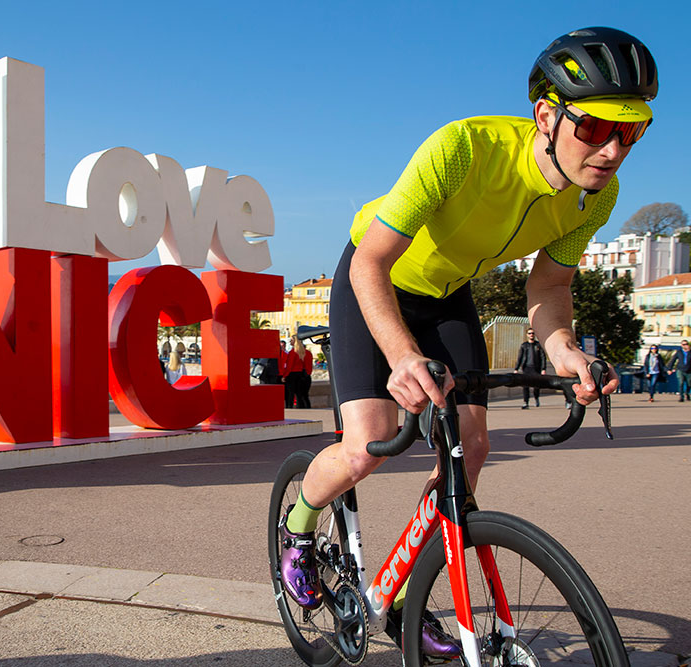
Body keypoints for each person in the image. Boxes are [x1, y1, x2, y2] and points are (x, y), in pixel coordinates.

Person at [278, 27, 652, 657]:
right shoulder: (464, 149)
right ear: (546, 116)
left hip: (447, 293)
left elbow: (550, 285)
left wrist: (565, 351)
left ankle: (402, 593)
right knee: (366, 445)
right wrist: (401, 356)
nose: (612, 150)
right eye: (594, 127)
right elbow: (371, 263)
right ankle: (299, 530)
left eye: (632, 131)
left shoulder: (596, 195)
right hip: (375, 276)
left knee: (471, 447)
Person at [515, 328, 547, 408]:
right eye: (529, 333)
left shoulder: (538, 345)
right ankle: (526, 402)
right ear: (527, 335)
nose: (531, 335)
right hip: (526, 368)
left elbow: (543, 357)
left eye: (532, 333)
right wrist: (516, 368)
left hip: (536, 368)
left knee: (536, 385)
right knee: (525, 385)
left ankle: (536, 398)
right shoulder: (524, 345)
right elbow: (520, 357)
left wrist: (543, 369)